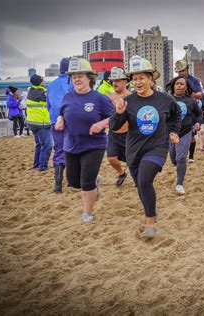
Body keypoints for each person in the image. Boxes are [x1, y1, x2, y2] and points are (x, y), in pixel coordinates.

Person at [110, 55, 181, 238]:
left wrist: (174, 131)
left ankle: (150, 221)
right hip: (133, 150)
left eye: (142, 78)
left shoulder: (165, 100)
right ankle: (151, 209)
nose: (137, 82)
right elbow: (115, 127)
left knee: (144, 181)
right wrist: (118, 114)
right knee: (141, 186)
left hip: (156, 149)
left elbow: (176, 115)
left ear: (151, 79)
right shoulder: (128, 101)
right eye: (134, 79)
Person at [55, 57, 114, 222]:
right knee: (74, 182)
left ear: (90, 77)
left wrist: (101, 124)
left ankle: (87, 213)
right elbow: (62, 112)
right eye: (74, 76)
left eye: (80, 75)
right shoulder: (67, 97)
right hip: (71, 144)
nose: (76, 79)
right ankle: (95, 180)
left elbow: (114, 117)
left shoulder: (99, 98)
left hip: (94, 145)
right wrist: (60, 120)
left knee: (86, 182)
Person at [166, 76, 202, 194]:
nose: (179, 86)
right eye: (177, 84)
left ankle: (179, 184)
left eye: (182, 84)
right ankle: (180, 167)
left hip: (185, 131)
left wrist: (197, 122)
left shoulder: (190, 100)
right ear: (173, 86)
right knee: (174, 158)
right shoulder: (168, 99)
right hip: (171, 132)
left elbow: (199, 114)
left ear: (186, 87)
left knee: (181, 157)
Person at [47, 57, 73, 193]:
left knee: (58, 150)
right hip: (70, 120)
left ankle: (58, 183)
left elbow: (48, 105)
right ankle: (71, 181)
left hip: (54, 121)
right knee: (72, 149)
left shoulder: (51, 85)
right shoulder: (72, 82)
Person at [106, 67, 132, 187]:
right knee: (111, 158)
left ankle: (138, 177)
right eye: (113, 80)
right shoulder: (108, 96)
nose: (115, 83)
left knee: (132, 160)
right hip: (113, 134)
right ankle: (122, 173)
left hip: (128, 134)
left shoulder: (132, 97)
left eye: (118, 80)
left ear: (125, 81)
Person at [27, 74, 53, 171]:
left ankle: (36, 165)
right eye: (43, 80)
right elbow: (52, 100)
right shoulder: (43, 93)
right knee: (47, 145)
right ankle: (42, 166)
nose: (44, 81)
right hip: (41, 123)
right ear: (39, 82)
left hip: (32, 123)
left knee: (39, 144)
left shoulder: (31, 91)